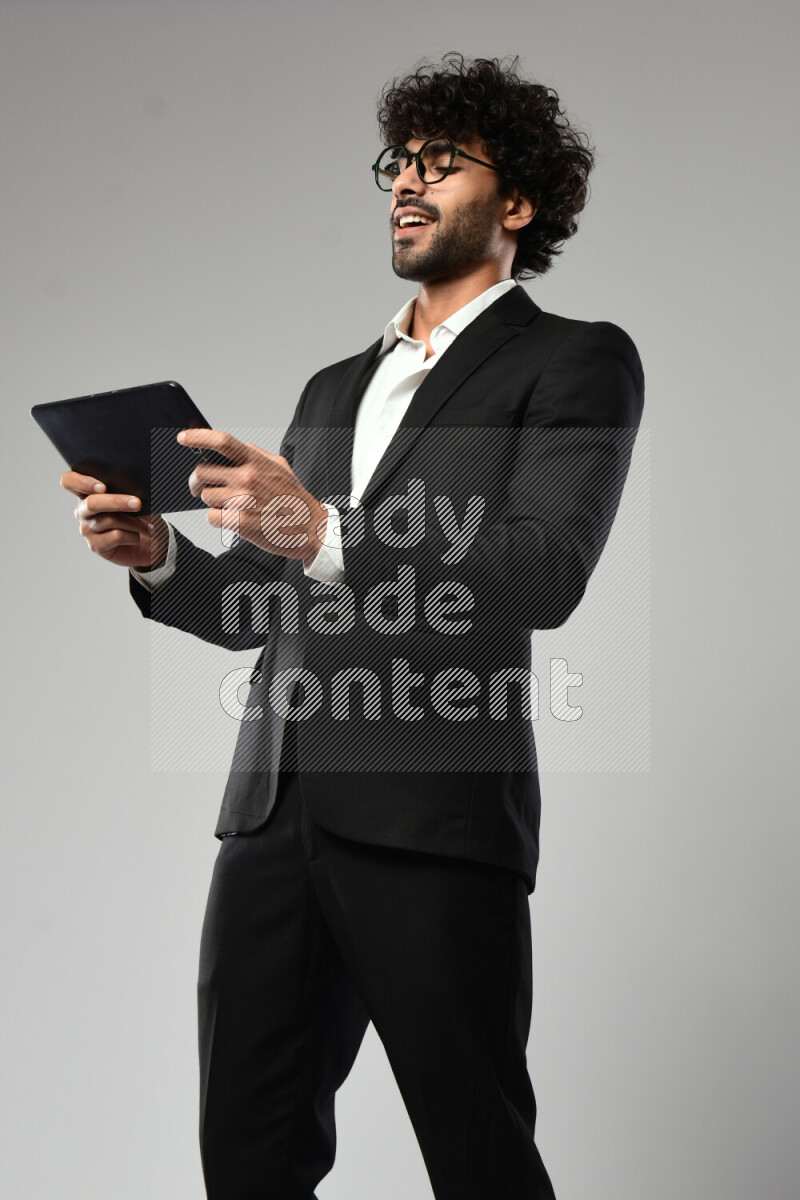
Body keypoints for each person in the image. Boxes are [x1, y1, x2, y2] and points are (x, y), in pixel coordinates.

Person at [61, 53, 644, 1200]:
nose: (406, 185)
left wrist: (316, 526)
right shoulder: (335, 386)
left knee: (477, 1156)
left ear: (515, 201)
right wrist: (163, 556)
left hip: (432, 816)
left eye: (442, 163)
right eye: (397, 165)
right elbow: (259, 605)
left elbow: (541, 574)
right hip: (273, 816)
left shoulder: (572, 360)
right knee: (247, 1155)